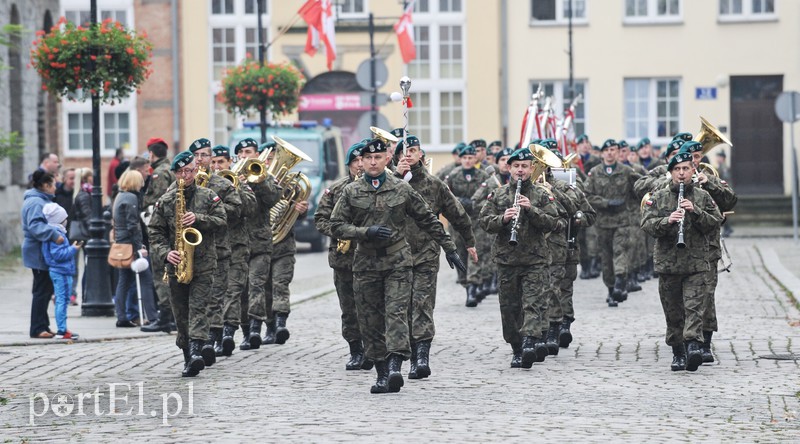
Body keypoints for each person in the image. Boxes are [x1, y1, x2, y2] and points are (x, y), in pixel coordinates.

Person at [330, 137, 464, 394]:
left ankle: (394, 367)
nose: (372, 162)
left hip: (398, 262)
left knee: (396, 314)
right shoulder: (351, 191)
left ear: (386, 159)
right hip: (366, 262)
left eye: (377, 157)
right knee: (370, 320)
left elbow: (428, 219)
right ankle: (381, 372)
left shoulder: (401, 188)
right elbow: (336, 225)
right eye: (367, 158)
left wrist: (449, 247)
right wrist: (363, 231)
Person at [394, 135, 476, 380]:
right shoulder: (389, 183)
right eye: (403, 151)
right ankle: (400, 352)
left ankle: (421, 357)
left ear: (421, 155)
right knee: (399, 308)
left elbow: (458, 214)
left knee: (422, 305)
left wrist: (469, 242)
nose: (408, 154)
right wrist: (397, 177)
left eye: (413, 150)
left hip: (425, 255)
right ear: (397, 157)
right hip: (394, 257)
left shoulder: (434, 184)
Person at [479, 147, 563, 368]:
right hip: (507, 260)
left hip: (534, 260)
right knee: (509, 308)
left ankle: (529, 343)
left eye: (524, 166)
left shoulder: (542, 194)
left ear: (531, 169)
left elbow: (555, 223)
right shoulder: (498, 195)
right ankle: (516, 347)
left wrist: (531, 210)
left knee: (532, 304)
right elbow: (484, 222)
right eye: (516, 166)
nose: (520, 171)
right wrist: (503, 219)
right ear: (509, 168)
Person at [148, 151, 227, 377]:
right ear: (174, 173)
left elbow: (222, 222)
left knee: (198, 308)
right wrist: (166, 253)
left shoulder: (208, 196)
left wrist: (199, 219)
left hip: (203, 263)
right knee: (180, 312)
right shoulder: (165, 200)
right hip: (177, 264)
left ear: (196, 170)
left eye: (189, 170)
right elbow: (154, 231)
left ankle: (195, 352)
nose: (185, 175)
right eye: (180, 172)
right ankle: (187, 356)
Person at [641, 150, 721, 372]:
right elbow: (646, 224)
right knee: (673, 310)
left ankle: (693, 344)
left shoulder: (703, 197)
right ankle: (678, 351)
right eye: (677, 169)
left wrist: (695, 212)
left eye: (686, 168)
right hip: (669, 264)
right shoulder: (659, 197)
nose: (682, 173)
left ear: (693, 170)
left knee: (694, 306)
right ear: (671, 173)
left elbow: (715, 222)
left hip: (696, 264)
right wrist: (667, 221)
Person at [314, 141, 372, 370]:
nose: (359, 165)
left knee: (370, 306)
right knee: (349, 308)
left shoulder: (377, 187)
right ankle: (355, 350)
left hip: (370, 258)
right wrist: (339, 231)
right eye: (355, 161)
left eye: (362, 160)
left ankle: (373, 349)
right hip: (343, 259)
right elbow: (320, 218)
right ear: (348, 164)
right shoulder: (336, 189)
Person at [682, 141, 738, 364]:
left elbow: (731, 200)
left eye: (698, 156)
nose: (695, 161)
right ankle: (685, 339)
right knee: (683, 298)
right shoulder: (678, 176)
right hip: (682, 247)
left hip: (708, 247)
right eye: (691, 157)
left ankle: (704, 341)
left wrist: (710, 184)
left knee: (706, 295)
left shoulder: (710, 176)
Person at [188, 138, 241, 364]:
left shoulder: (223, 184)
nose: (201, 160)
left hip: (218, 249)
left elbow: (237, 210)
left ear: (211, 158)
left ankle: (212, 339)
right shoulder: (183, 184)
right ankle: (198, 342)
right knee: (198, 300)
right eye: (197, 156)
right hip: (192, 251)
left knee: (216, 296)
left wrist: (211, 209)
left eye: (205, 155)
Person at [234, 138, 282, 350]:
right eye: (242, 152)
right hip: (237, 243)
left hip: (260, 242)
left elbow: (273, 198)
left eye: (249, 152)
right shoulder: (230, 178)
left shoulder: (265, 176)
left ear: (257, 155)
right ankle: (246, 331)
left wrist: (258, 180)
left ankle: (256, 328)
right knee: (241, 290)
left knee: (257, 285)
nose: (245, 156)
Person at [210, 144, 257, 356]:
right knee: (217, 293)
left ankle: (228, 334)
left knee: (235, 291)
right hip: (215, 248)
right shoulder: (206, 184)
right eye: (214, 162)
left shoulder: (240, 182)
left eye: (221, 162)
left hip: (237, 246)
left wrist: (235, 186)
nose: (217, 166)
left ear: (230, 162)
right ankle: (217, 336)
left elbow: (249, 207)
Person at [583, 139, 643, 307]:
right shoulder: (594, 173)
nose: (610, 152)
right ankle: (611, 290)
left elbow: (640, 187)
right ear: (602, 153)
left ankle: (619, 282)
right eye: (607, 150)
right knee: (606, 258)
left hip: (622, 221)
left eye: (613, 149)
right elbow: (586, 195)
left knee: (620, 251)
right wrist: (604, 203)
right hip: (602, 223)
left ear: (618, 153)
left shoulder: (626, 171)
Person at [444, 144, 490, 306]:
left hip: (476, 220)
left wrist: (474, 204)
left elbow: (490, 198)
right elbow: (445, 196)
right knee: (460, 253)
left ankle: (472, 288)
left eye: (471, 158)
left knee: (475, 252)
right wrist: (458, 203)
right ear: (461, 159)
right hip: (458, 221)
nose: (468, 161)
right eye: (465, 158)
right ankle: (465, 282)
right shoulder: (453, 176)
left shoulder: (483, 176)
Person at [141, 138, 177, 333]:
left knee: (160, 274)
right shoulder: (171, 169)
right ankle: (169, 316)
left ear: (152, 154)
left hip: (161, 230)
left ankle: (165, 317)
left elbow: (156, 202)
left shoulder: (159, 174)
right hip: (170, 229)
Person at [22, 170, 64, 338]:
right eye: (53, 184)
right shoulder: (36, 203)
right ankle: (38, 328)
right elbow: (35, 226)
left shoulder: (38, 200)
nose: (55, 188)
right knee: (42, 290)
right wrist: (55, 235)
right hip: (38, 251)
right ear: (45, 186)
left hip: (40, 250)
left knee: (45, 290)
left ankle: (43, 325)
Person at [112, 170, 149, 328]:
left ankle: (122, 315)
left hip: (121, 242)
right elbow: (132, 225)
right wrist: (139, 245)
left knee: (124, 281)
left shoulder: (120, 196)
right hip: (129, 243)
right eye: (140, 180)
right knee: (131, 281)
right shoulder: (131, 197)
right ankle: (129, 315)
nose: (142, 183)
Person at [41, 202, 81, 339]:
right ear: (59, 220)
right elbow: (58, 255)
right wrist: (73, 249)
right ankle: (62, 330)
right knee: (62, 300)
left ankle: (63, 329)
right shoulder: (56, 234)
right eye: (64, 218)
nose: (66, 221)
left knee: (62, 300)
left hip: (60, 270)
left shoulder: (54, 232)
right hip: (61, 271)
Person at [54, 168, 79, 305]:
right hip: (59, 235)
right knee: (59, 265)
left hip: (73, 234)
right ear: (64, 179)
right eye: (70, 178)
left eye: (75, 178)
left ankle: (72, 293)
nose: (73, 181)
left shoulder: (77, 195)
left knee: (73, 265)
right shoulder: (57, 194)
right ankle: (58, 293)